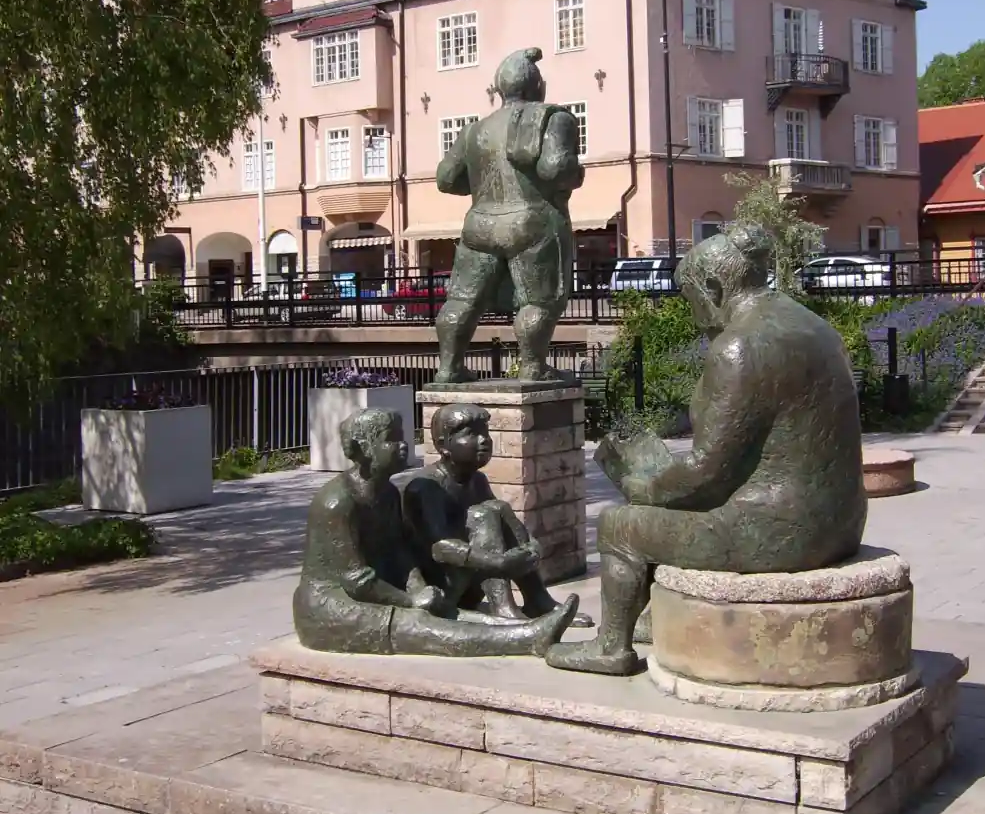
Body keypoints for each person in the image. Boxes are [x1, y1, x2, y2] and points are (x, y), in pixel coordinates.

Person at [547, 224, 867, 676]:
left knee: (620, 525)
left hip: (783, 533)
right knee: (666, 503)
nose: (692, 310)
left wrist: (642, 484)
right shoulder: (813, 326)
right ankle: (655, 617)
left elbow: (705, 474)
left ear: (714, 289)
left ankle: (609, 648)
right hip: (842, 521)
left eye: (690, 296)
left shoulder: (738, 346)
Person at [293, 407, 577, 657]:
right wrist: (410, 600)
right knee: (421, 627)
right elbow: (357, 581)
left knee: (443, 612)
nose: (404, 446)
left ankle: (523, 625)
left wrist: (418, 588)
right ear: (362, 449)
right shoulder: (338, 503)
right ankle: (527, 639)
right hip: (330, 607)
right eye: (391, 439)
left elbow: (399, 552)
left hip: (373, 592)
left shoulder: (389, 493)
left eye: (403, 438)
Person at [431, 47, 584, 384]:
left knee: (462, 299)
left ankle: (448, 368)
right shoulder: (554, 118)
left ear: (499, 89)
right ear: (538, 86)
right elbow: (555, 167)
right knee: (540, 299)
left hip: (480, 224)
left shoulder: (473, 131)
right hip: (533, 221)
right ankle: (533, 366)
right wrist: (575, 173)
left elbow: (446, 178)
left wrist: (480, 185)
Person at [402, 403, 591, 626]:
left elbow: (504, 523)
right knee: (485, 514)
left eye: (485, 432)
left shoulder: (477, 481)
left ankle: (537, 599)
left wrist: (530, 546)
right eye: (471, 434)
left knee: (497, 509)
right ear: (443, 445)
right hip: (441, 589)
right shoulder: (425, 487)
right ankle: (504, 609)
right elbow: (440, 547)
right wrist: (497, 562)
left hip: (471, 576)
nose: (484, 440)